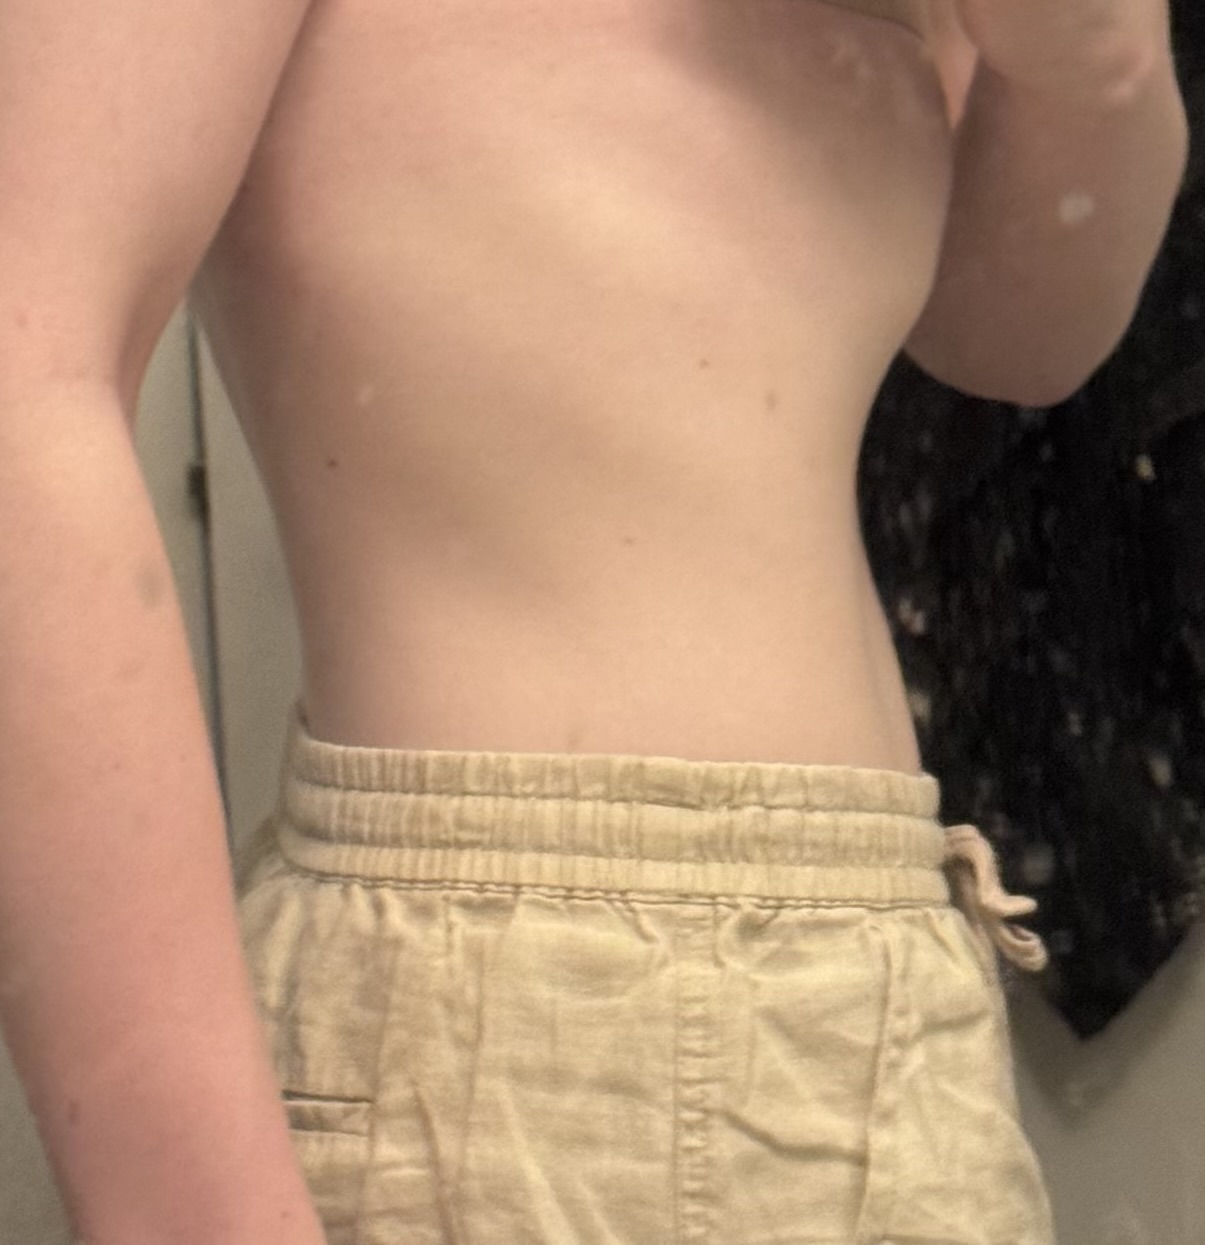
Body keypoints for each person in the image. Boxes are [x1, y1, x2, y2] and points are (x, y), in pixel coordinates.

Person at [0, 0, 1188, 1241]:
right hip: (507, 1028)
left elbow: (1009, 335)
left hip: (897, 1008)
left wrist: (1095, 62)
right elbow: (22, 370)